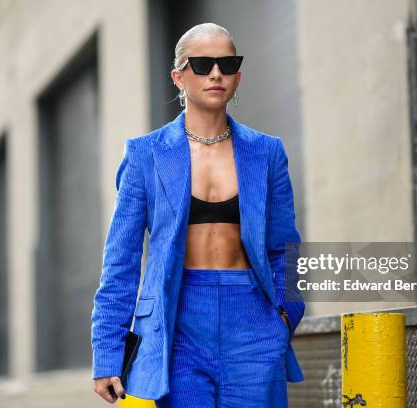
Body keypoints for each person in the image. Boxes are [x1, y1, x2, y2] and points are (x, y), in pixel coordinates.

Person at [91, 22, 305, 407]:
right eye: (203, 64)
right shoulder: (145, 155)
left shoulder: (267, 152)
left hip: (253, 321)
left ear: (238, 75)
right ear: (179, 76)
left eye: (227, 63)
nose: (216, 74)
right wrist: (107, 352)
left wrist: (285, 318)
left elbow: (284, 247)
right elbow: (120, 260)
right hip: (178, 325)